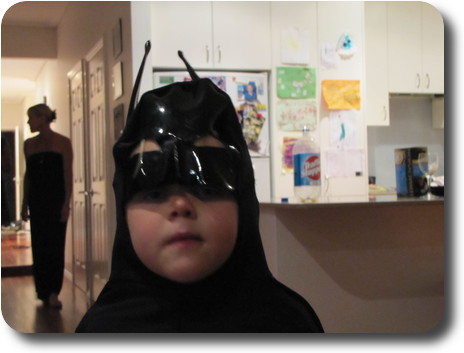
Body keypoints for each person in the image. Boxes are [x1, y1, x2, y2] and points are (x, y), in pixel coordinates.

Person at [76, 45, 323, 332]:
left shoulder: (288, 325)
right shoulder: (100, 332)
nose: (181, 205)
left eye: (207, 188)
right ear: (124, 210)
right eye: (154, 192)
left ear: (242, 201)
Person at [21, 104, 73, 309]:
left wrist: (66, 204)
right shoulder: (28, 144)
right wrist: (24, 203)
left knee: (55, 245)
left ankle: (53, 291)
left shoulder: (63, 142)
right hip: (37, 201)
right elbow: (29, 176)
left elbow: (67, 174)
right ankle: (42, 290)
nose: (28, 122)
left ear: (42, 118)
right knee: (39, 245)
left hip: (56, 201)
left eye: (31, 118)